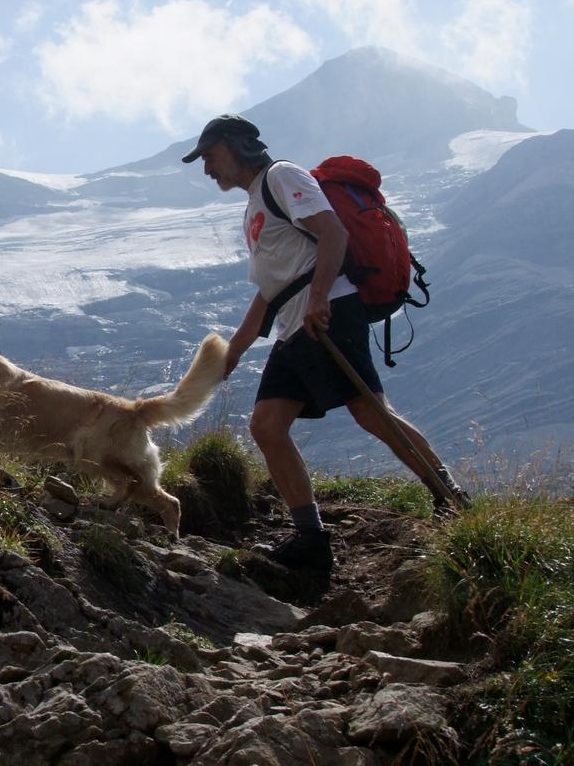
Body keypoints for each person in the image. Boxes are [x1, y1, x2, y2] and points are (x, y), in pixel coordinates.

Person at [182, 114, 469, 571]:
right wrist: (230, 354)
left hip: (328, 312)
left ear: (236, 147)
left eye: (211, 156)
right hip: (294, 324)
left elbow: (333, 232)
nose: (207, 169)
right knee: (267, 425)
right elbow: (270, 291)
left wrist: (318, 298)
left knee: (370, 412)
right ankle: (311, 540)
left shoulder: (282, 177)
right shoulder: (254, 207)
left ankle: (451, 499)